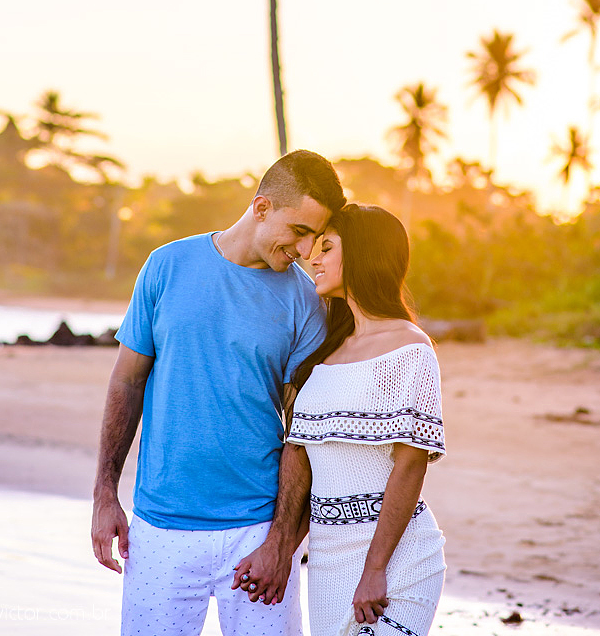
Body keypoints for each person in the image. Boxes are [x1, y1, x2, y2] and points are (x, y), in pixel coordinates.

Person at [90, 149, 346, 636]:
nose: (307, 249)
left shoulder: (304, 301)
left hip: (256, 531)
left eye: (316, 237)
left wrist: (282, 543)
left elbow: (303, 430)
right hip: (160, 527)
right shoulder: (166, 266)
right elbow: (127, 381)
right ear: (262, 206)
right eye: (299, 231)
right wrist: (105, 493)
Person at [234, 203, 446, 636]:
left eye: (327, 247)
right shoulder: (325, 354)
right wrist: (281, 552)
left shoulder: (410, 348)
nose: (314, 258)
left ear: (364, 255)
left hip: (396, 562)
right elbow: (306, 465)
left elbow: (411, 464)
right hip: (327, 562)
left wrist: (374, 570)